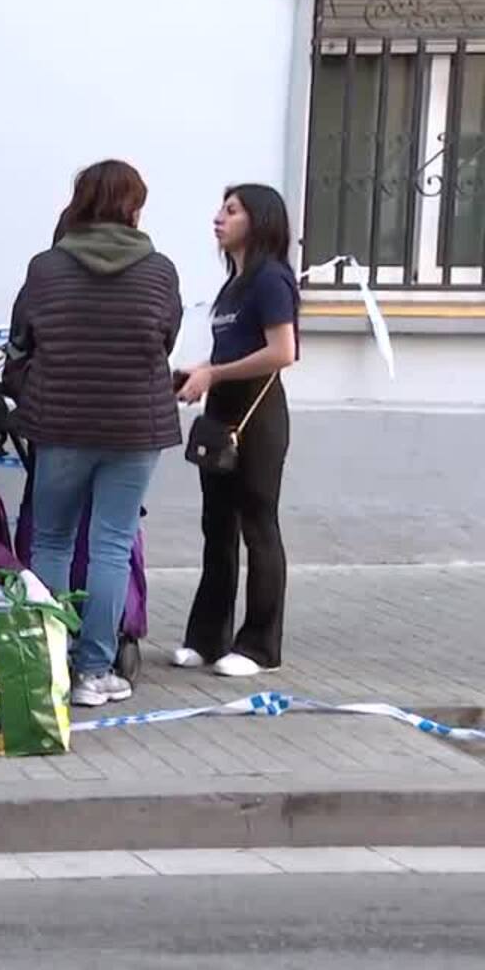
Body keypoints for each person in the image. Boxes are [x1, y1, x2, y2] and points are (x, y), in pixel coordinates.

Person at [6, 160, 182, 707]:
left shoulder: (46, 268)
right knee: (112, 543)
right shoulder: (159, 270)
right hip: (135, 425)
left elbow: (22, 338)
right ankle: (93, 672)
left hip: (59, 424)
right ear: (132, 208)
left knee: (51, 541)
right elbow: (166, 338)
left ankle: (47, 663)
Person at [173, 184, 300, 678]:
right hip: (222, 411)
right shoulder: (235, 284)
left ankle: (260, 645)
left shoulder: (271, 279)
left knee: (257, 525)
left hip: (258, 414)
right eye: (221, 210)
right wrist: (199, 371)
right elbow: (232, 351)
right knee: (216, 526)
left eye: (231, 211)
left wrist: (216, 374)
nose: (218, 219)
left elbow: (283, 352)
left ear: (259, 219)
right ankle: (207, 637)